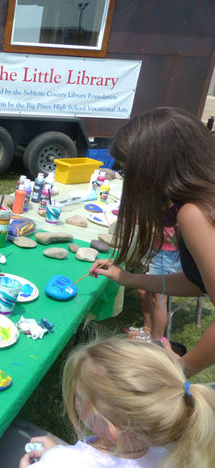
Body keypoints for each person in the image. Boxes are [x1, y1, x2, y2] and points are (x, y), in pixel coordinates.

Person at [89, 107, 215, 377]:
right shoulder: (200, 201)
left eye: (127, 170)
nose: (126, 179)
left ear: (151, 170)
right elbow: (199, 283)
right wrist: (128, 278)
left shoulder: (194, 213)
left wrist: (179, 368)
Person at [19, 337, 215, 468]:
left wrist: (53, 459)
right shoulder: (176, 455)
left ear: (113, 428)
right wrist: (57, 453)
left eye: (79, 397)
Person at [127, 225, 182, 343]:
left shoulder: (179, 210)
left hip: (167, 255)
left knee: (159, 299)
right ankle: (148, 329)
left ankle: (155, 340)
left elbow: (171, 236)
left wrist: (153, 229)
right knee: (142, 290)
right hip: (157, 250)